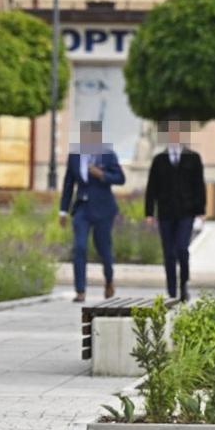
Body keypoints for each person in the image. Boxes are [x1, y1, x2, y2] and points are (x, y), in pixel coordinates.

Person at [59, 120, 125, 303]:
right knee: (79, 247)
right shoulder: (74, 156)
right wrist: (63, 211)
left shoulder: (108, 156)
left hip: (104, 209)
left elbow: (121, 178)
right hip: (82, 208)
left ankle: (109, 279)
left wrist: (102, 175)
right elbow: (68, 184)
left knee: (104, 248)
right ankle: (80, 290)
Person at [145, 116, 206, 301]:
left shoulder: (193, 158)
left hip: (186, 212)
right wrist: (149, 213)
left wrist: (201, 210)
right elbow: (151, 188)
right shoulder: (159, 160)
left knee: (182, 249)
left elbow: (199, 185)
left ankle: (184, 284)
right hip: (165, 213)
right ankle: (171, 290)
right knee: (168, 253)